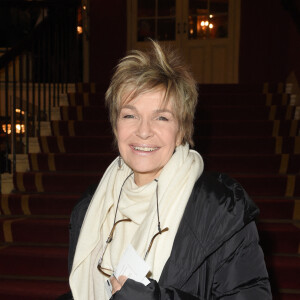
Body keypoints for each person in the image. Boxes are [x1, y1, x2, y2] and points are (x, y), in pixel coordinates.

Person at [65, 40, 272, 300]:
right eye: (130, 115)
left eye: (161, 117)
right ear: (115, 124)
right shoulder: (89, 207)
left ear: (181, 131)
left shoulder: (220, 209)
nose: (143, 130)